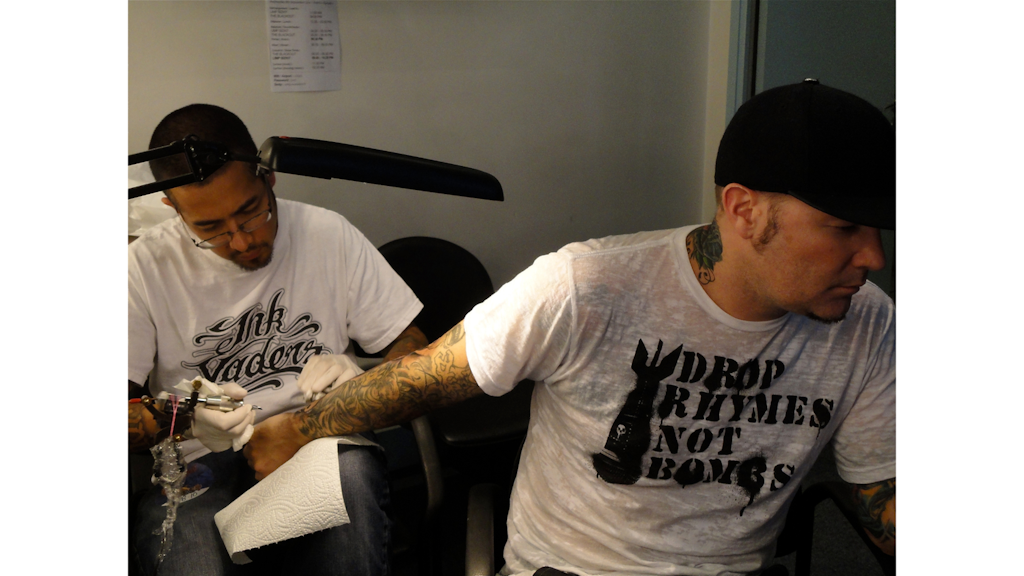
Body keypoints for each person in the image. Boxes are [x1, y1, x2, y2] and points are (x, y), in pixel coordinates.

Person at [246, 80, 896, 575]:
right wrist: (298, 427)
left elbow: (879, 488)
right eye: (844, 230)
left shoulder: (868, 322)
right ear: (745, 210)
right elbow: (422, 380)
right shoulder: (586, 287)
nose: (874, 260)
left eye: (879, 231)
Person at [128, 104, 428, 575]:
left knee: (350, 478)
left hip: (319, 437)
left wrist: (363, 382)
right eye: (209, 229)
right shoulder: (141, 269)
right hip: (200, 463)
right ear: (173, 207)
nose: (242, 241)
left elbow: (412, 348)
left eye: (251, 214)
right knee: (188, 546)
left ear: (268, 180)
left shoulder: (328, 233)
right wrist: (185, 417)